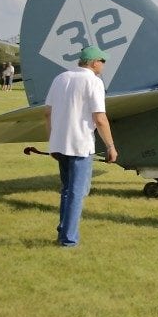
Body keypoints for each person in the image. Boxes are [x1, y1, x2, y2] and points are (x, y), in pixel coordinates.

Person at [44, 45, 119, 247]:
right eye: (102, 61)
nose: (103, 65)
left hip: (60, 143)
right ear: (94, 62)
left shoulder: (60, 78)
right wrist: (110, 146)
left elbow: (47, 113)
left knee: (67, 190)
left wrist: (52, 140)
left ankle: (63, 230)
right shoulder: (93, 82)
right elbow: (100, 118)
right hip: (80, 144)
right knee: (78, 192)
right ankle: (68, 239)